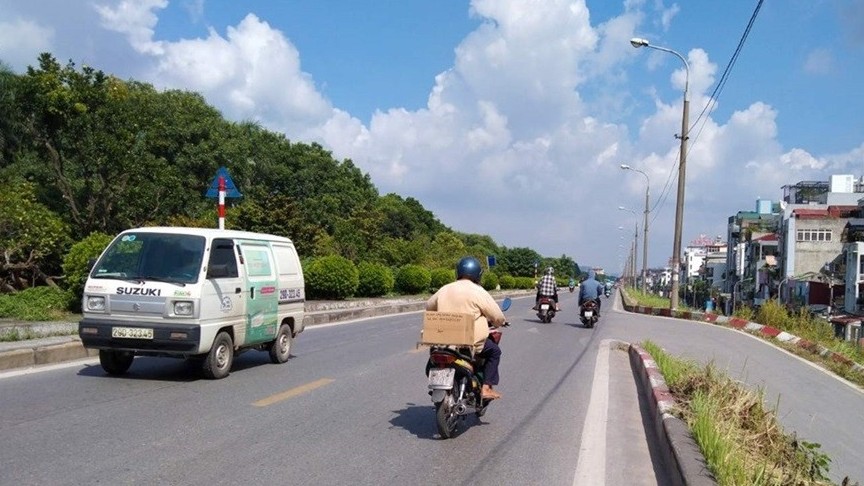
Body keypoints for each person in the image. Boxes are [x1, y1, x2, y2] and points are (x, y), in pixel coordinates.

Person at [426, 256, 507, 400]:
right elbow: (497, 316)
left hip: (443, 340)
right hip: (469, 341)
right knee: (495, 352)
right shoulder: (478, 291)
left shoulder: (445, 288)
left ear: (458, 272)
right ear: (477, 274)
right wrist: (499, 322)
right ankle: (486, 388)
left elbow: (429, 306)